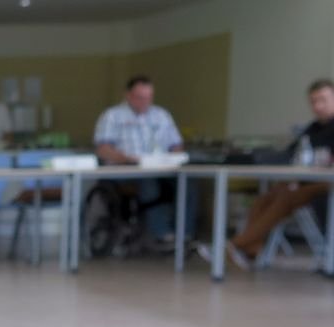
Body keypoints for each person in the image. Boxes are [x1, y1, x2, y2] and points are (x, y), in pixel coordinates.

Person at [203, 79, 334, 270]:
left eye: (323, 99)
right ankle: (249, 252)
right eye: (313, 101)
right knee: (265, 198)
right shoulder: (312, 129)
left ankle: (233, 245)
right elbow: (290, 153)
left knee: (287, 197)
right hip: (306, 181)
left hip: (327, 183)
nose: (318, 106)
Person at [94, 75, 195, 249]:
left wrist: (174, 157)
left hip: (160, 167)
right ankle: (162, 234)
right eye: (139, 97)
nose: (144, 102)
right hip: (125, 170)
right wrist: (126, 158)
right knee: (149, 183)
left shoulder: (161, 116)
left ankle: (185, 234)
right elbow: (103, 149)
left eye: (148, 98)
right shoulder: (112, 116)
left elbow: (176, 145)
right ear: (128, 95)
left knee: (188, 183)